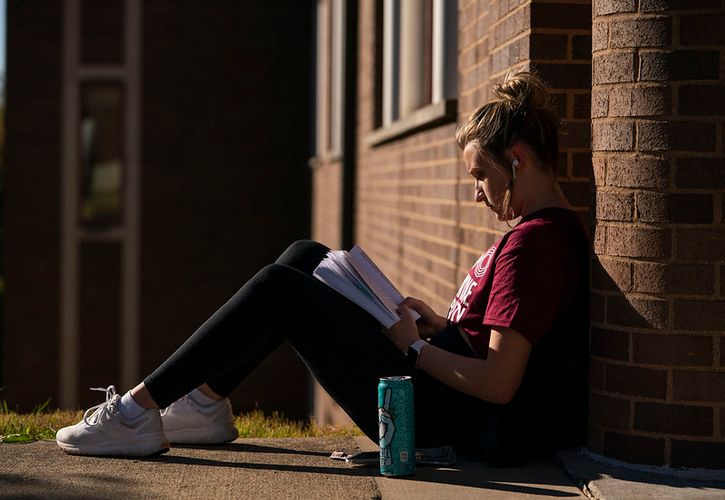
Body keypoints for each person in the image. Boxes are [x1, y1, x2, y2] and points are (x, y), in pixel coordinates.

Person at [56, 71, 589, 465]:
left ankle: (134, 412)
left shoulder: (535, 245)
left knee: (278, 289)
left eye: (480, 175)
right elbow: (491, 346)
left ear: (516, 159)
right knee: (305, 255)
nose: (477, 194)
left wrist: (414, 347)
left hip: (455, 423)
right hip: (446, 397)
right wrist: (441, 328)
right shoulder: (535, 237)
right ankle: (203, 404)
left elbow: (499, 384)